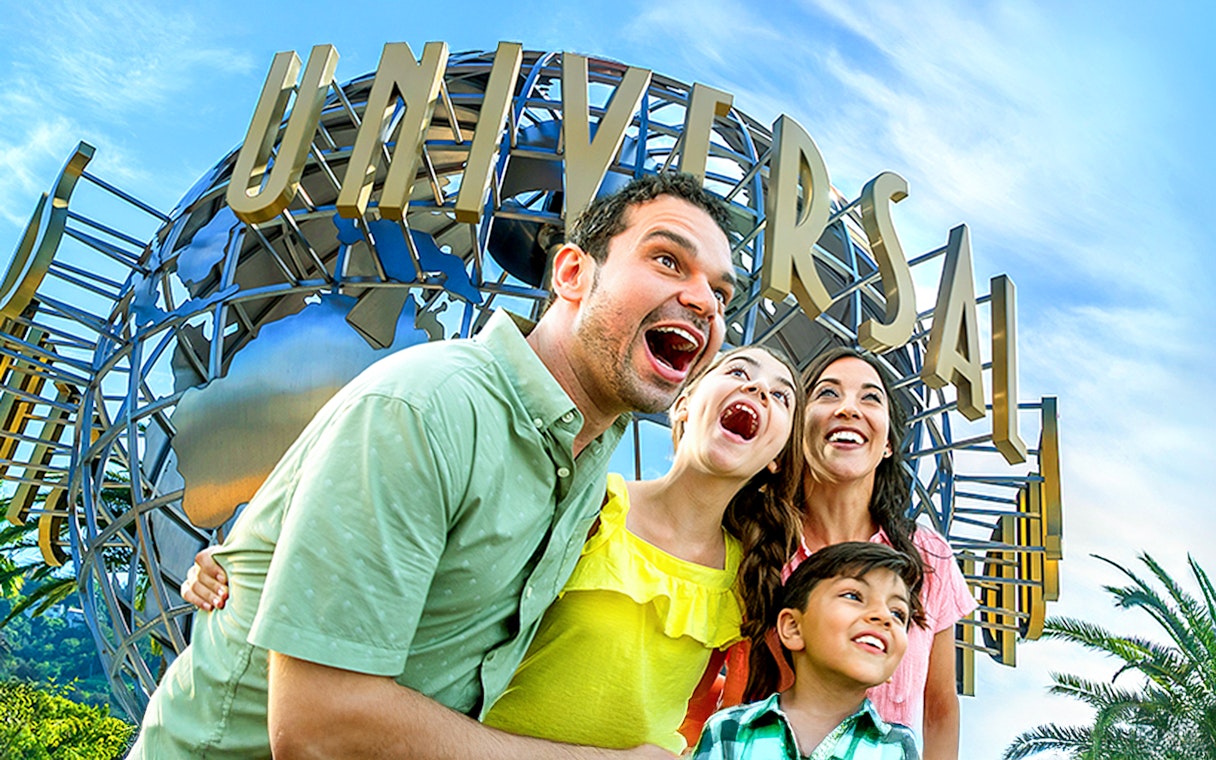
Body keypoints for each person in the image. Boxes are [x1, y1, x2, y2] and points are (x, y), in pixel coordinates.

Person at [130, 172, 737, 759]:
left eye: (721, 293)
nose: (703, 301)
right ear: (572, 273)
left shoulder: (588, 462)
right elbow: (320, 730)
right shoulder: (426, 409)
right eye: (667, 260)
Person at [185, 345, 807, 754]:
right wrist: (246, 566)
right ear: (684, 405)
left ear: (778, 455)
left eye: (781, 396)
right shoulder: (588, 504)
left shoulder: (756, 578)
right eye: (738, 373)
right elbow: (414, 558)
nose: (758, 391)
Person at [716, 347, 976, 760]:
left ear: (888, 444)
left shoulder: (930, 558)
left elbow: (940, 707)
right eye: (827, 394)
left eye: (870, 398)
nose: (849, 409)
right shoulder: (747, 541)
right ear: (796, 429)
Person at [690, 542, 923, 760]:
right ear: (793, 628)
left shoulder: (898, 747)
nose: (883, 616)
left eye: (898, 613)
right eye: (853, 596)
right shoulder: (728, 731)